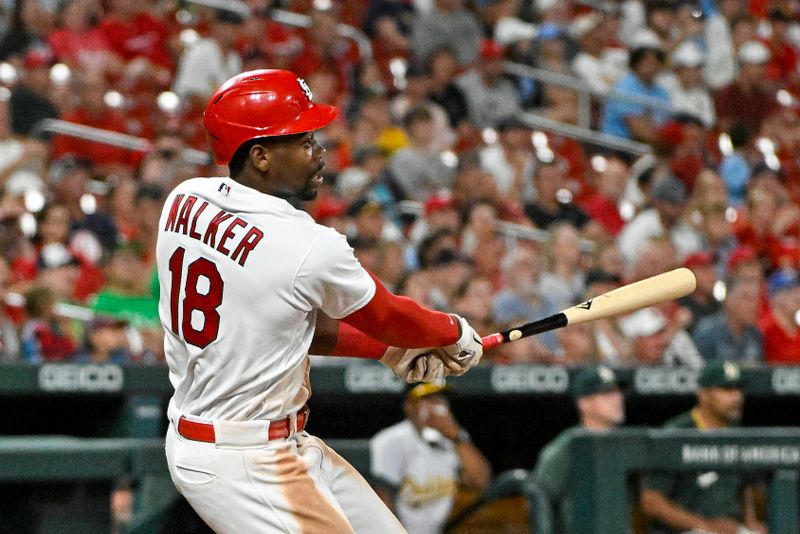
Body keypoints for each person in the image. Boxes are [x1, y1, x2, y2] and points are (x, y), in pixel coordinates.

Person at [157, 69, 484, 534]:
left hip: (265, 438)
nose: (319, 150)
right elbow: (390, 316)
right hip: (242, 457)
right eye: (304, 139)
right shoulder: (306, 244)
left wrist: (387, 351)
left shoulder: (183, 199)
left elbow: (288, 328)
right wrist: (451, 332)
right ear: (261, 155)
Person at [640, 361, 767, 534]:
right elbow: (651, 502)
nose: (737, 397)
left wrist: (750, 521)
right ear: (704, 394)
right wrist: (704, 525)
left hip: (729, 529)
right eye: (727, 390)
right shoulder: (676, 433)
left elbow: (744, 487)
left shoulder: (736, 432)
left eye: (739, 389)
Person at [369, 382, 491, 534]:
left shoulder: (453, 439)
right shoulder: (391, 441)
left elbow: (480, 481)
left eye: (439, 399)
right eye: (427, 399)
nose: (435, 406)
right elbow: (382, 504)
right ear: (409, 406)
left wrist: (455, 436)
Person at [533, 365, 625, 534]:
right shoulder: (567, 447)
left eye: (618, 392)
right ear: (584, 403)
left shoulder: (626, 443)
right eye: (606, 394)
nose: (617, 398)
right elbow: (539, 499)